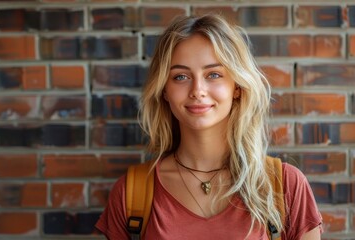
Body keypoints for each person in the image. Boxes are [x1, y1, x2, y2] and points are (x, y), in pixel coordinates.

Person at [95, 14, 322, 239]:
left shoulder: (285, 186)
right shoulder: (131, 193)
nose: (198, 90)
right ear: (164, 89)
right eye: (181, 77)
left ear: (236, 87)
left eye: (213, 74)